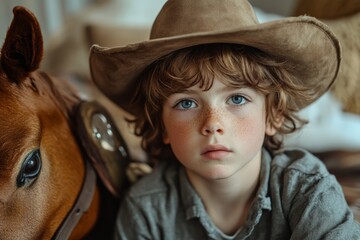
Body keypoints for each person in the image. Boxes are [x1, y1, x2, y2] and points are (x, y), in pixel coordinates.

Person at [89, 0, 360, 239]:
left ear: (273, 115)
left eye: (237, 99)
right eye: (186, 103)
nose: (212, 123)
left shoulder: (306, 189)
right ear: (162, 125)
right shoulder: (146, 208)